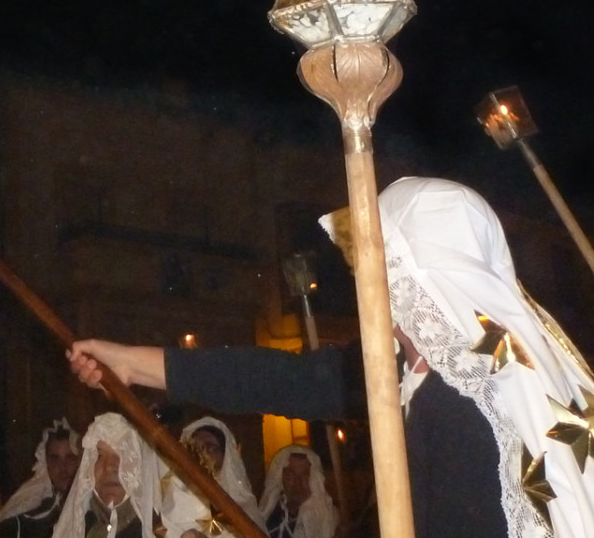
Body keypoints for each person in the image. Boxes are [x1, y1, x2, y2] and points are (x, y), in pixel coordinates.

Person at [68, 177, 594, 538]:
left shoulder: (465, 400)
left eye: (376, 262)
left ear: (415, 273)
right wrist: (131, 364)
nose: (362, 278)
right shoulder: (416, 369)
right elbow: (282, 379)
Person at [52, 412, 209, 538]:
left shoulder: (164, 530)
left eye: (123, 455)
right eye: (99, 456)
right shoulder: (79, 528)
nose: (109, 467)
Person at [0, 418, 81, 538]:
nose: (62, 467)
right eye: (54, 458)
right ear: (45, 463)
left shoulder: (92, 507)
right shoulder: (31, 515)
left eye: (70, 457)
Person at [166, 417, 263, 533]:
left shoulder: (243, 510)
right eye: (198, 448)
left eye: (211, 448)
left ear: (225, 457)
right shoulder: (175, 499)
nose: (204, 454)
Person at [258, 445, 336, 538]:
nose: (298, 482)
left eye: (304, 475)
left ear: (314, 479)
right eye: (291, 475)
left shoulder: (328, 520)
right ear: (281, 478)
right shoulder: (269, 512)